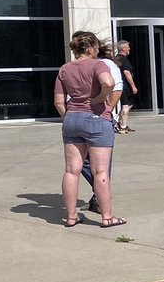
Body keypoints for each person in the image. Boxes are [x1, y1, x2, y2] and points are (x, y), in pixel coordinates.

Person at [53, 30, 125, 228]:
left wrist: (70, 116)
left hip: (71, 118)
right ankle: (107, 217)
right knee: (100, 171)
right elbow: (109, 83)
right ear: (92, 48)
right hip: (96, 118)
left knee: (71, 170)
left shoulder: (65, 69)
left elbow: (59, 102)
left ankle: (71, 217)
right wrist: (100, 100)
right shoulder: (98, 64)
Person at [81, 41, 124, 212]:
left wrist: (107, 111)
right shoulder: (78, 65)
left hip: (99, 117)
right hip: (81, 118)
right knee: (82, 161)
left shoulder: (105, 64)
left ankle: (99, 198)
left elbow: (116, 87)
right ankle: (99, 193)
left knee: (101, 163)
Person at [114, 39, 139, 134]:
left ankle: (120, 124)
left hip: (118, 85)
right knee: (125, 106)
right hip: (124, 86)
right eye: (128, 47)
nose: (130, 49)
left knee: (128, 105)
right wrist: (133, 86)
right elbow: (127, 73)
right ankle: (123, 127)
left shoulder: (115, 59)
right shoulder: (123, 59)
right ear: (123, 49)